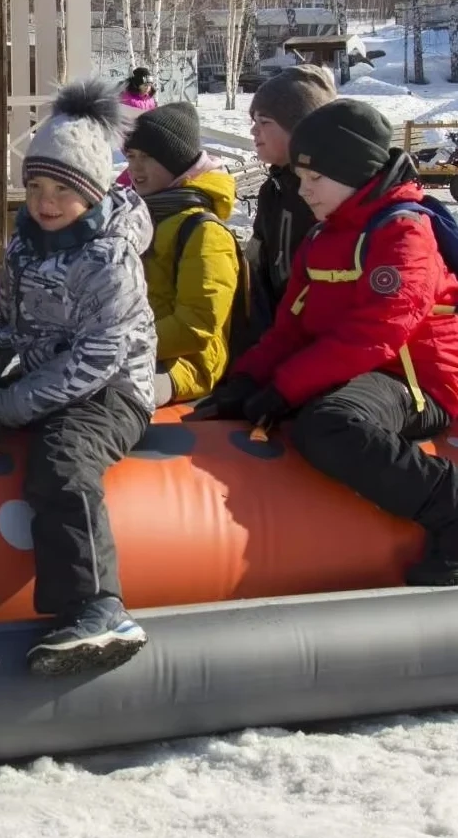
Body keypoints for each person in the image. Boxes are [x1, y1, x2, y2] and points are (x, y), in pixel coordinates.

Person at [194, 99, 458, 586]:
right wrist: (247, 380)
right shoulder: (323, 238)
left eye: (315, 178)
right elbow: (291, 326)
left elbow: (380, 329)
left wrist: (287, 387)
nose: (303, 188)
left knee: (330, 424)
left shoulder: (402, 231)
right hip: (362, 369)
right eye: (300, 176)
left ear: (356, 174)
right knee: (279, 408)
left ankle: (448, 509)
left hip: (418, 376)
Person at [0, 80, 157, 677]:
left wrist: (15, 402)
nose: (45, 201)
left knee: (64, 455)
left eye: (63, 190)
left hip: (115, 387)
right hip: (46, 376)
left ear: (92, 194)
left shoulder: (110, 259)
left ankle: (98, 604)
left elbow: (97, 356)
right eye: (37, 186)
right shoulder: (25, 244)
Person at [122, 101, 243, 405]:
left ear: (176, 162)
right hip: (130, 349)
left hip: (186, 365)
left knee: (105, 393)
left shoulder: (204, 231)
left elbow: (196, 326)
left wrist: (116, 346)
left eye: (148, 157)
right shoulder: (138, 215)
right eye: (131, 156)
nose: (135, 168)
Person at [245, 64, 336, 336]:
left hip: (317, 338)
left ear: (299, 129)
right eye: (253, 121)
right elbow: (258, 270)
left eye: (264, 122)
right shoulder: (273, 190)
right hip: (276, 333)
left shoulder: (325, 196)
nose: (253, 131)